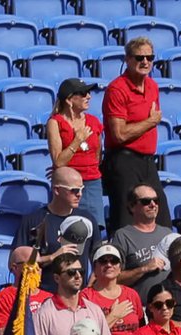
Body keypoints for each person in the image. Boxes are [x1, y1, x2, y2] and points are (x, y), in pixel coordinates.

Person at [99, 37, 162, 225]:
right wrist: (150, 122)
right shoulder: (117, 89)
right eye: (139, 57)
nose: (145, 62)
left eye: (150, 57)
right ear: (127, 59)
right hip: (124, 159)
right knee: (126, 218)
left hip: (148, 161)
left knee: (161, 217)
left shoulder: (152, 86)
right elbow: (120, 134)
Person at [44, 77, 106, 232]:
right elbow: (58, 161)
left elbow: (98, 155)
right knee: (68, 228)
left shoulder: (94, 121)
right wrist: (77, 141)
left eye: (89, 93)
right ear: (70, 100)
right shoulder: (55, 122)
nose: (89, 97)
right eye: (84, 93)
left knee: (94, 228)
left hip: (92, 182)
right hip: (68, 185)